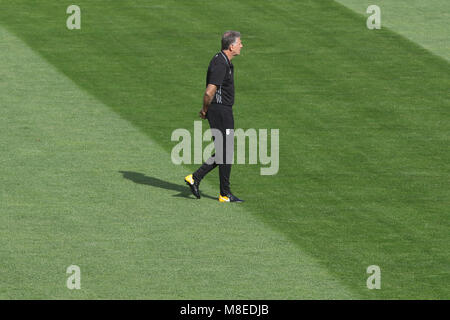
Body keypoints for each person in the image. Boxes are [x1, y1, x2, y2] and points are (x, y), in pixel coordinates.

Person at [185, 31, 244, 202]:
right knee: (225, 151)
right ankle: (222, 192)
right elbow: (209, 91)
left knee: (225, 151)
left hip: (222, 110)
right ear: (231, 46)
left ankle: (200, 181)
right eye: (240, 43)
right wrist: (205, 110)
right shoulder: (221, 63)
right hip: (220, 111)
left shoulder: (223, 60)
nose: (242, 45)